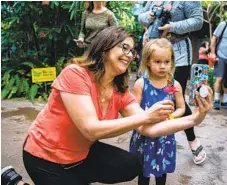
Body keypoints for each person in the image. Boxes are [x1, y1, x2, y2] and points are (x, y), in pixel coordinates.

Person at [1, 26, 212, 185]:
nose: (130, 54)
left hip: (81, 154)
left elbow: (149, 129)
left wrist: (194, 119)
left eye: (132, 51)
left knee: (132, 165)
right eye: (124, 47)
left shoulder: (120, 91)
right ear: (104, 48)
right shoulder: (75, 74)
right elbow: (90, 129)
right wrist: (146, 116)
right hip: (44, 156)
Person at [138, 1, 207, 165]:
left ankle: (192, 140)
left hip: (176, 56)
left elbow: (197, 21)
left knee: (175, 99)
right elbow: (140, 17)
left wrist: (172, 27)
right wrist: (149, 16)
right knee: (150, 96)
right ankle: (151, 135)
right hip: (152, 55)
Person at [130, 38, 185, 185]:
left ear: (171, 62)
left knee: (162, 174)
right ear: (148, 61)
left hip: (164, 136)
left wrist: (171, 116)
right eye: (157, 62)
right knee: (143, 174)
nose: (162, 66)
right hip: (144, 135)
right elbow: (133, 110)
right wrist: (146, 117)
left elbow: (182, 108)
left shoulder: (175, 85)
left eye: (166, 62)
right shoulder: (141, 84)